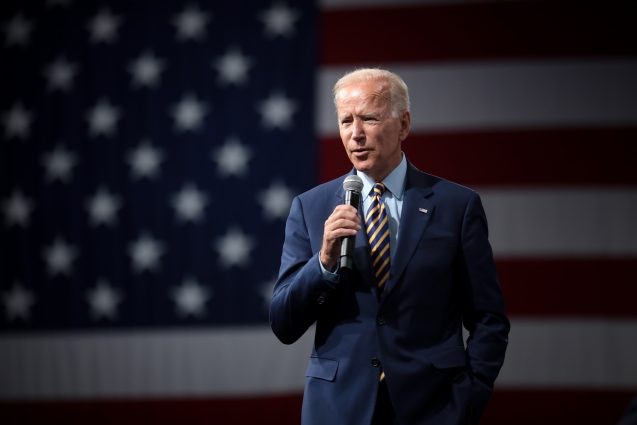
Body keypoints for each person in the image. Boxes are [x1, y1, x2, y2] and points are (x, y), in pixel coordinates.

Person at [270, 68, 510, 425]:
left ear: (404, 124)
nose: (356, 134)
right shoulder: (311, 207)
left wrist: (467, 400)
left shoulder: (456, 206)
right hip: (338, 409)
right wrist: (323, 262)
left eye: (369, 118)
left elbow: (489, 319)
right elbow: (284, 323)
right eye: (346, 120)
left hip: (433, 407)